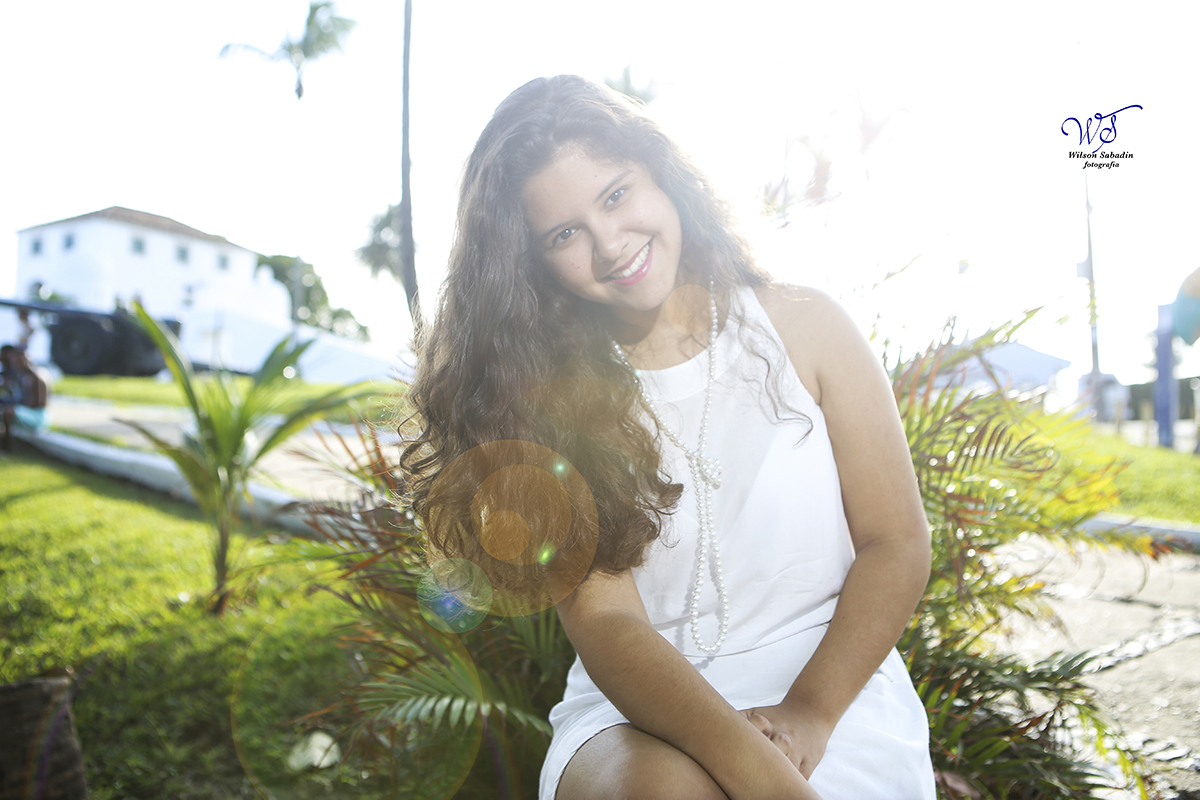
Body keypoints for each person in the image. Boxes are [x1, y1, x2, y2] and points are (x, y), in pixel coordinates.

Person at [402, 75, 935, 800]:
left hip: (832, 689)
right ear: (530, 264)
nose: (610, 244)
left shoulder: (809, 327)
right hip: (636, 711)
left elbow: (896, 544)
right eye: (565, 235)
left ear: (662, 172)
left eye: (616, 195)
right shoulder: (543, 402)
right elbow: (608, 621)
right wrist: (762, 777)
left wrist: (807, 717)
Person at [1, 346, 50, 450]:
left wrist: (15, 407)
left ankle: (7, 448)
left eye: (18, 360)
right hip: (25, 411)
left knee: (7, 413)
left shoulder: (37, 376)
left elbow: (39, 403)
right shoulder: (21, 376)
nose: (15, 364)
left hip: (37, 416)